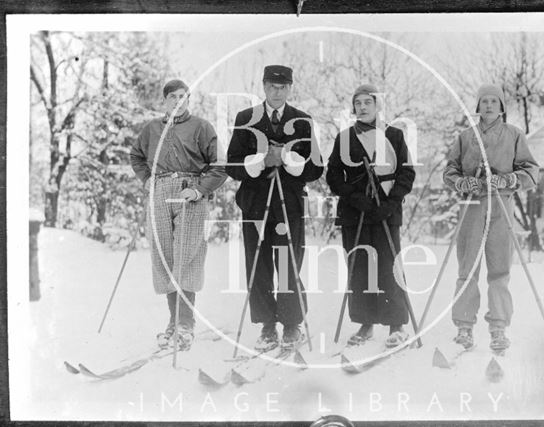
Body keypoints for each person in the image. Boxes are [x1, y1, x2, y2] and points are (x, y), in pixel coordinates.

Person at [226, 65, 323, 351]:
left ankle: (292, 324)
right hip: (255, 204)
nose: (277, 92)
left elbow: (316, 167)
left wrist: (287, 158)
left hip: (288, 205)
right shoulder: (246, 118)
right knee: (259, 264)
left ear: (290, 88)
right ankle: (267, 325)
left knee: (288, 261)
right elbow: (232, 164)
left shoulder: (302, 121)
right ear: (264, 86)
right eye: (272, 86)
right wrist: (262, 160)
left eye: (282, 87)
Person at [130, 79, 227, 350]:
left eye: (182, 96)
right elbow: (136, 156)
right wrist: (147, 179)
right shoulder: (151, 129)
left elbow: (220, 165)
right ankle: (173, 322)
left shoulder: (201, 127)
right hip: (159, 191)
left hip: (189, 192)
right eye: (172, 96)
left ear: (189, 100)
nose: (177, 101)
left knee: (187, 255)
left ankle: (185, 325)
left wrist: (199, 190)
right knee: (163, 256)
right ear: (165, 101)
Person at [443, 83, 539, 353]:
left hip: (500, 204)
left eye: (493, 102)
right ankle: (464, 326)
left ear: (502, 107)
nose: (488, 106)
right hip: (472, 206)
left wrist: (508, 178)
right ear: (477, 106)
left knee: (499, 269)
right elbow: (450, 170)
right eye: (483, 101)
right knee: (467, 268)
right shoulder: (465, 137)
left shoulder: (514, 135)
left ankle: (498, 328)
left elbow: (531, 171)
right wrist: (462, 182)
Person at [326, 84, 416, 349]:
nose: (362, 107)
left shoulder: (394, 135)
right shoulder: (345, 138)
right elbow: (333, 175)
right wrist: (355, 198)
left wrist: (391, 203)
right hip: (356, 213)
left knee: (389, 266)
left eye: (368, 102)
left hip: (386, 211)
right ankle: (365, 323)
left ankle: (396, 324)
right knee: (360, 267)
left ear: (377, 105)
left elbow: (407, 173)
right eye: (358, 103)